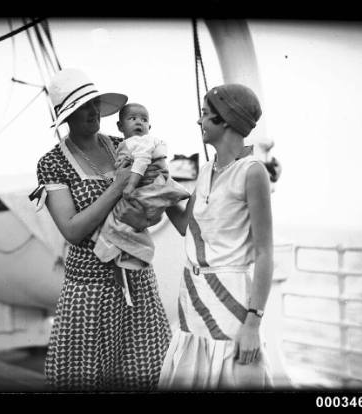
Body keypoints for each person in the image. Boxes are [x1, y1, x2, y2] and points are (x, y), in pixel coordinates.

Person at [30, 68, 171, 391]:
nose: (92, 112)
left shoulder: (126, 145)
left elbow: (156, 196)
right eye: (81, 108)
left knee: (148, 373)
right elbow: (71, 230)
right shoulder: (53, 163)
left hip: (138, 281)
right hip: (89, 291)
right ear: (66, 117)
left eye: (94, 103)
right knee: (85, 380)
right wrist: (118, 185)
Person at [155, 83, 274, 390]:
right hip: (192, 298)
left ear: (227, 121)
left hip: (231, 300)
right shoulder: (207, 170)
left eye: (206, 115)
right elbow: (185, 226)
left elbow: (264, 253)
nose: (200, 121)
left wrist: (253, 323)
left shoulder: (252, 172)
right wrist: (159, 187)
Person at [91, 103, 190, 305]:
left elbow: (142, 162)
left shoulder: (142, 142)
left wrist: (130, 184)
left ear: (150, 127)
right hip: (148, 191)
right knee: (121, 225)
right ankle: (125, 261)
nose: (139, 122)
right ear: (120, 126)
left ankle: (125, 259)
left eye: (144, 119)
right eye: (133, 118)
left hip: (146, 188)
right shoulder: (124, 144)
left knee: (116, 225)